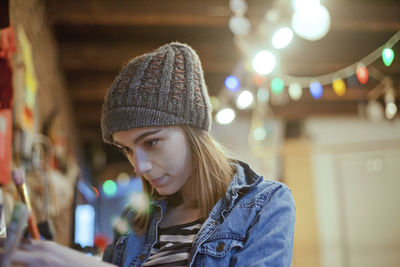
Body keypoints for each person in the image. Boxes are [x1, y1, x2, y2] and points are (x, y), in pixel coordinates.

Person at [5, 42, 295, 266]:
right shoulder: (134, 220)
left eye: (152, 142)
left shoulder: (265, 205)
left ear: (194, 132)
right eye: (127, 150)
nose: (139, 167)